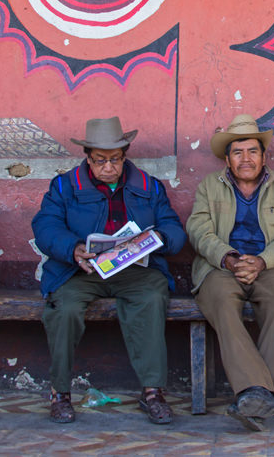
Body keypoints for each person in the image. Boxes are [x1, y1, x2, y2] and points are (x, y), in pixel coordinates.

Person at [32, 116, 186, 425]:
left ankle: (153, 392)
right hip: (81, 271)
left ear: (125, 155)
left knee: (152, 298)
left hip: (134, 271)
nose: (108, 167)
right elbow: (45, 225)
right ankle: (60, 393)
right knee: (63, 308)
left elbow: (173, 227)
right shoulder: (64, 186)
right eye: (100, 160)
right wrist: (72, 248)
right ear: (88, 157)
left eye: (115, 159)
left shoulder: (148, 187)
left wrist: (158, 239)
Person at [186, 114, 274, 431]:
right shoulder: (208, 187)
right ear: (227, 158)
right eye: (238, 152)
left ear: (263, 155)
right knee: (220, 304)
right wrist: (228, 258)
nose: (246, 159)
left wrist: (262, 261)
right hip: (222, 267)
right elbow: (198, 230)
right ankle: (261, 395)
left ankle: (257, 398)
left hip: (269, 266)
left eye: (252, 151)